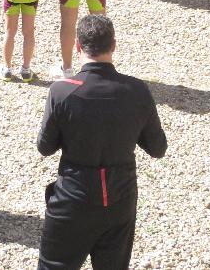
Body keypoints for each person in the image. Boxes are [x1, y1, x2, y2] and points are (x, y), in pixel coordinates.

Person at [36, 14, 167, 270]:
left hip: (74, 197)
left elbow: (45, 146)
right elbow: (157, 148)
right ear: (114, 46)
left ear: (78, 47)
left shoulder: (62, 91)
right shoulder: (137, 90)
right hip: (120, 198)